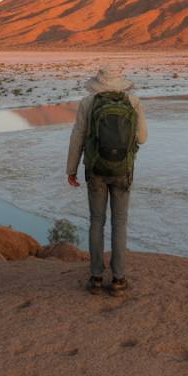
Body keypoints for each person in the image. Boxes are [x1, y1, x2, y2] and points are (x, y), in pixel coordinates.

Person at [66, 65, 147, 295]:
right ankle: (119, 279)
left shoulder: (87, 103)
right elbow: (143, 137)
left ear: (97, 83)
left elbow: (77, 138)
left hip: (96, 171)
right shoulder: (133, 102)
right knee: (119, 224)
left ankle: (96, 277)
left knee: (96, 222)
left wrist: (70, 170)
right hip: (123, 171)